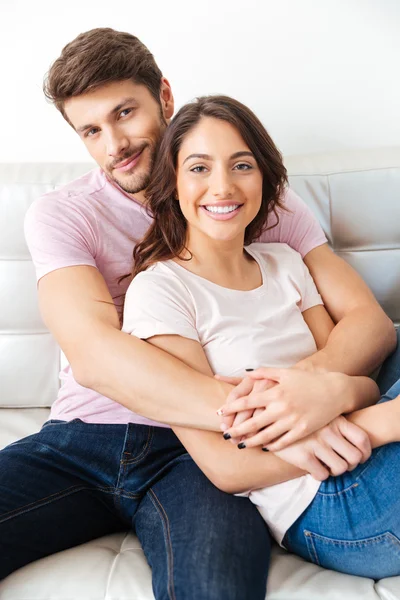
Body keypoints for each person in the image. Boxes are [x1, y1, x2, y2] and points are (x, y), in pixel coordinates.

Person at [0, 26, 396, 595]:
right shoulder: (64, 214)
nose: (114, 145)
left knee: (215, 587)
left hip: (197, 459)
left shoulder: (247, 198)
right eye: (91, 130)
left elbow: (367, 320)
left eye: (125, 113)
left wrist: (316, 388)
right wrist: (273, 421)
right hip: (86, 438)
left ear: (164, 96)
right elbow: (94, 355)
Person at [122, 94, 400, 580]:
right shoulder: (159, 290)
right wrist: (381, 421)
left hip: (362, 443)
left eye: (242, 165)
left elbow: (357, 375)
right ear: (172, 181)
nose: (223, 186)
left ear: (265, 176)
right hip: (332, 501)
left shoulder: (285, 263)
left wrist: (336, 391)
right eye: (200, 168)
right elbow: (226, 468)